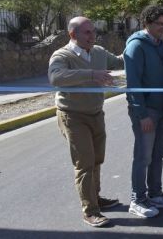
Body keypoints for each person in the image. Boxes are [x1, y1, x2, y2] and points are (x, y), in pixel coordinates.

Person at [48, 16, 123, 227]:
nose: (93, 36)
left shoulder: (98, 52)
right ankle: (89, 210)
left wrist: (138, 41)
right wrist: (91, 75)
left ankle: (96, 198)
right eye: (87, 32)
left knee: (97, 158)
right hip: (72, 115)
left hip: (96, 113)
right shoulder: (62, 55)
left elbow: (119, 61)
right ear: (73, 34)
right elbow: (56, 77)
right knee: (85, 162)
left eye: (93, 31)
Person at [124, 5, 163, 218]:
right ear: (147, 23)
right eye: (158, 24)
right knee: (143, 157)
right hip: (146, 112)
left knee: (159, 154)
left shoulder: (162, 46)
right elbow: (133, 83)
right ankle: (137, 199)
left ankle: (155, 194)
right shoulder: (136, 46)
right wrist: (142, 114)